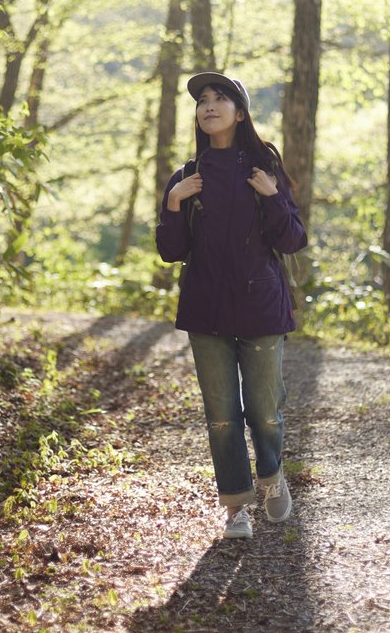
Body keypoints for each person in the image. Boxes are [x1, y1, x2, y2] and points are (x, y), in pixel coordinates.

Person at [156, 71, 308, 540]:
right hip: (207, 311)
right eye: (202, 99)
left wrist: (273, 197)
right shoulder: (186, 176)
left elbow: (293, 239)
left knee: (265, 408)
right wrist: (174, 204)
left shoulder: (263, 167)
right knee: (221, 416)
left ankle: (271, 475)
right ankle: (236, 506)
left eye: (220, 98)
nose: (208, 105)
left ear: (239, 113)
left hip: (260, 307)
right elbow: (172, 250)